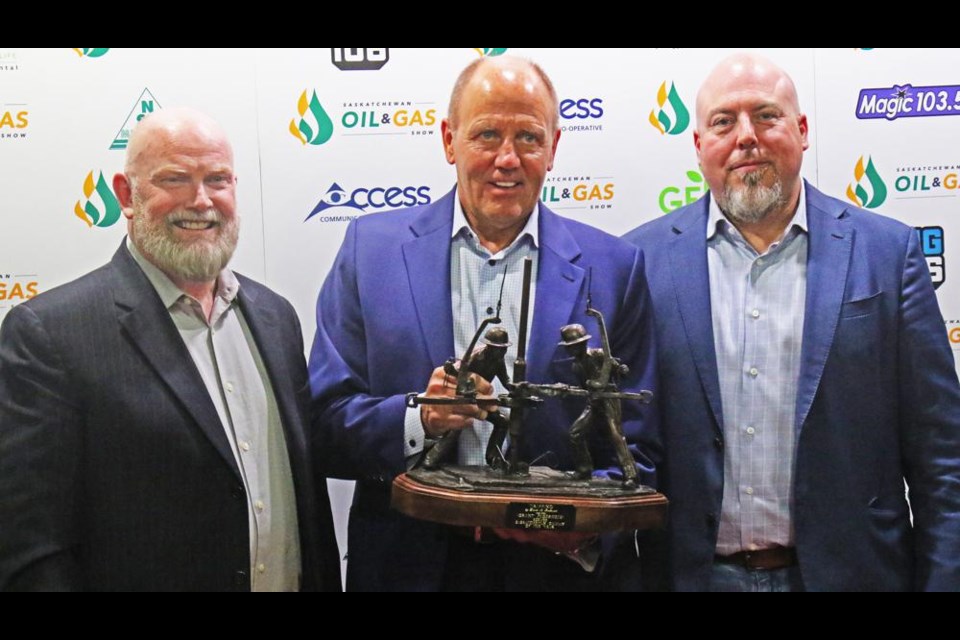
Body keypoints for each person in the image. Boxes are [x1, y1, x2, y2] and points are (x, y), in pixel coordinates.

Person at [310, 56, 659, 591]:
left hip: (557, 572)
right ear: (449, 140)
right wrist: (419, 419)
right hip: (410, 566)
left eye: (528, 137)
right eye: (486, 134)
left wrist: (577, 530)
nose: (506, 158)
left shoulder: (614, 268)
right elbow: (326, 425)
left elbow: (638, 447)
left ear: (554, 148)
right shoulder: (369, 252)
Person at [623, 53, 960, 591]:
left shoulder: (888, 256)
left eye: (766, 115)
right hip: (693, 578)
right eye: (723, 122)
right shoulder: (639, 262)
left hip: (853, 576)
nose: (746, 137)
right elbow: (621, 446)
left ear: (802, 132)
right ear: (698, 146)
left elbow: (943, 458)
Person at [0, 107, 341, 591]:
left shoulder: (275, 317)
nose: (201, 201)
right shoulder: (51, 335)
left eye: (217, 179)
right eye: (175, 179)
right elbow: (31, 550)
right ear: (126, 195)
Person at [422, 327, 511, 470]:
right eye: (499, 349)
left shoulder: (498, 361)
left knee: (502, 422)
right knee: (455, 426)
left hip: (482, 401)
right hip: (464, 398)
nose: (502, 352)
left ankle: (493, 457)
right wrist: (451, 371)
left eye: (504, 349)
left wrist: (516, 388)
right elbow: (458, 370)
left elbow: (505, 380)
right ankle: (431, 458)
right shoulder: (476, 356)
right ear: (489, 347)